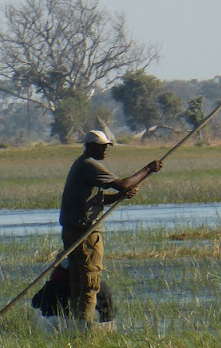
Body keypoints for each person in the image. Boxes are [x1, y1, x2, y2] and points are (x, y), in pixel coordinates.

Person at [59, 129, 162, 327]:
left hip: (71, 231)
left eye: (107, 147)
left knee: (77, 283)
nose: (105, 150)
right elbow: (123, 184)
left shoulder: (81, 164)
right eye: (101, 147)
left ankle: (76, 323)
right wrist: (148, 169)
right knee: (89, 283)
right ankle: (85, 328)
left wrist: (118, 198)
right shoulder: (90, 165)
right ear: (90, 147)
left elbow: (94, 200)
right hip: (85, 234)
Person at [31, 258, 116, 325]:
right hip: (94, 323)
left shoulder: (52, 287)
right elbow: (111, 312)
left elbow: (35, 303)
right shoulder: (98, 285)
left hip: (60, 324)